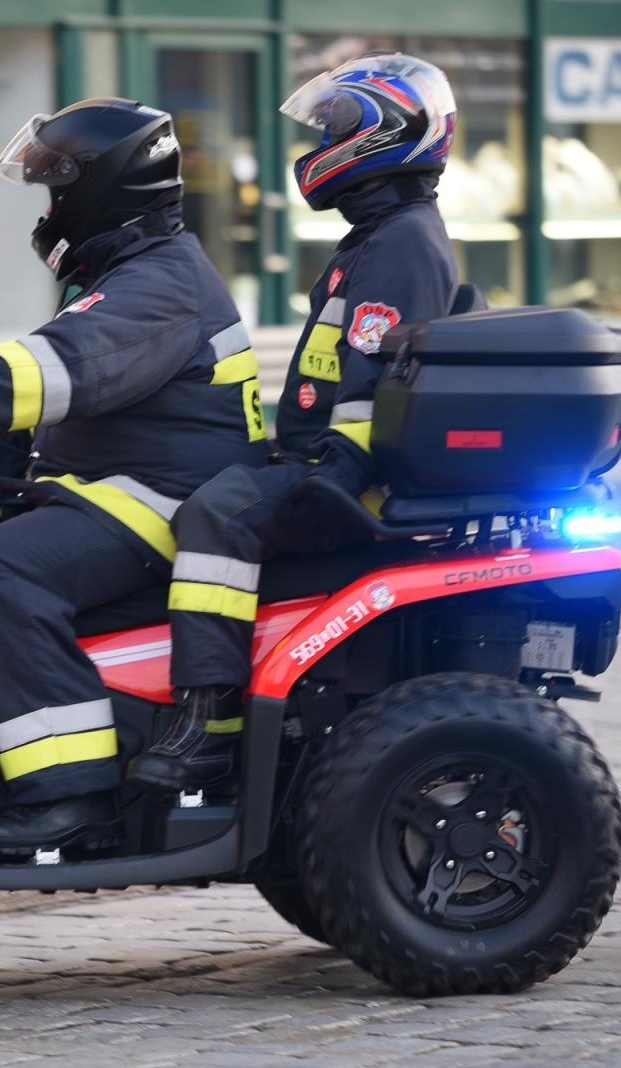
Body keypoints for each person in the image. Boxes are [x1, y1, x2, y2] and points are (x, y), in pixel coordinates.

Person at [0, 98, 270, 851]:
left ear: (101, 187)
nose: (46, 208)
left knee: (0, 571)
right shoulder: (125, 270)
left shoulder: (162, 282)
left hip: (164, 497)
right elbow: (65, 399)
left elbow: (58, 370)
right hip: (117, 478)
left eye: (55, 188)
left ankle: (73, 794)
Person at [128, 52, 462, 791]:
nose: (320, 144)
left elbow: (373, 378)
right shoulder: (380, 235)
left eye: (337, 126)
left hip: (348, 476)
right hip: (314, 457)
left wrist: (333, 473)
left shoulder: (403, 242)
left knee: (219, 513)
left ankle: (205, 721)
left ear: (390, 133)